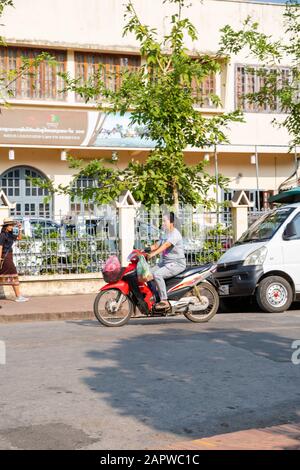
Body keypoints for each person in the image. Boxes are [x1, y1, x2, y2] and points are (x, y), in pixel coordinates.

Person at [147, 211, 186, 310]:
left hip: (177, 263)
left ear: (171, 222)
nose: (163, 223)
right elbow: (156, 245)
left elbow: (165, 245)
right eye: (162, 221)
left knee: (157, 274)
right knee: (146, 275)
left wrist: (153, 254)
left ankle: (164, 300)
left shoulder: (175, 234)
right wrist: (143, 251)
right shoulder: (165, 233)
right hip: (165, 263)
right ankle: (156, 296)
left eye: (164, 221)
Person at [0, 217, 29, 302]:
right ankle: (18, 296)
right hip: (5, 257)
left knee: (8, 275)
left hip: (9, 256)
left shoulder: (10, 234)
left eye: (13, 225)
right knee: (13, 274)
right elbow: (0, 247)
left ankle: (18, 296)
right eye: (11, 225)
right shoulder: (2, 235)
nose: (12, 227)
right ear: (6, 226)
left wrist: (20, 229)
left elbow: (19, 238)